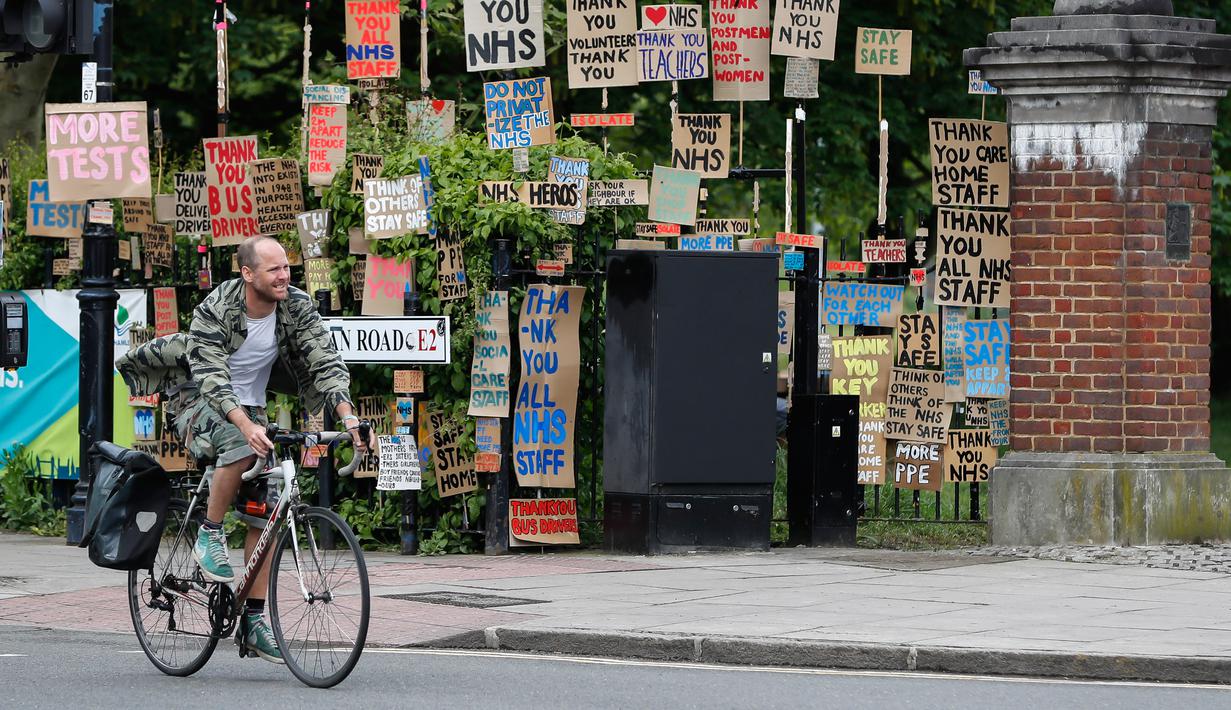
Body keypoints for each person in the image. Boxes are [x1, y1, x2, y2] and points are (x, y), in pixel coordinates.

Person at [118, 235, 372, 664]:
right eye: (273, 269)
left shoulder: (294, 306)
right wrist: (243, 424)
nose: (283, 276)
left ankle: (254, 622)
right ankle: (209, 533)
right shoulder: (215, 310)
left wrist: (349, 418)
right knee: (240, 444)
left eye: (286, 268)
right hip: (198, 399)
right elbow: (212, 377)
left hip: (251, 407)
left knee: (268, 507)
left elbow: (325, 362)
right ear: (247, 273)